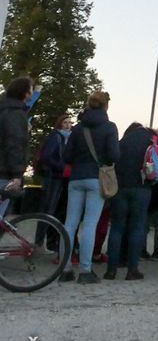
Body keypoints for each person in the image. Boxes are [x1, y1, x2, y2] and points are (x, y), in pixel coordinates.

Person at [60, 91, 120, 283]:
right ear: (106, 106)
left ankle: (65, 269)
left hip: (76, 178)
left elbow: (67, 157)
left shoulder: (78, 128)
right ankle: (85, 271)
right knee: (90, 224)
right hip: (96, 178)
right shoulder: (109, 127)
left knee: (70, 223)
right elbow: (114, 155)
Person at [105, 121, 154, 281]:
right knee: (137, 227)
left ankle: (111, 270)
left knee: (117, 227)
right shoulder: (150, 142)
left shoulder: (121, 142)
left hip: (120, 188)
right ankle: (132, 269)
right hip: (141, 188)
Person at [34, 112, 72, 246]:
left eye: (70, 123)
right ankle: (38, 242)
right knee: (47, 209)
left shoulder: (66, 139)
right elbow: (47, 157)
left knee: (53, 210)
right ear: (60, 124)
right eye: (65, 122)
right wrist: (62, 167)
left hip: (60, 177)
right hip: (53, 176)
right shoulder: (56, 137)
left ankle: (45, 242)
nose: (68, 125)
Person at [0, 77, 34, 216]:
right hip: (4, 172)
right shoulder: (16, 114)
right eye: (31, 89)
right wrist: (16, 175)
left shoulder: (4, 110)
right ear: (26, 93)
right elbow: (14, 144)